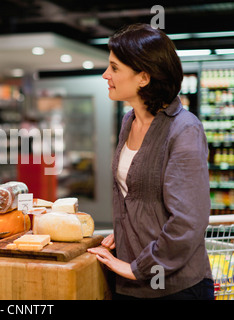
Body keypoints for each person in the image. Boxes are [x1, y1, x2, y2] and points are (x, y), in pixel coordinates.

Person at [87, 24, 214, 299]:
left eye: (115, 68)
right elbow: (136, 199)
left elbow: (188, 221)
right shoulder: (128, 121)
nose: (105, 75)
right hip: (130, 282)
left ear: (143, 77)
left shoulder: (184, 129)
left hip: (174, 287)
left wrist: (139, 268)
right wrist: (123, 235)